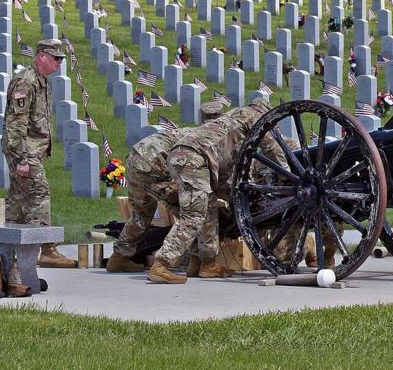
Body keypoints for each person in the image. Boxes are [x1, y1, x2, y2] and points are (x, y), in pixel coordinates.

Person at [148, 99, 274, 284]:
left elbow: (226, 177)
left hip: (193, 160)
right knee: (194, 215)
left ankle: (207, 264)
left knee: (209, 210)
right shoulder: (253, 117)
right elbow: (272, 148)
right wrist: (288, 174)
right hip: (192, 159)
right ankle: (161, 264)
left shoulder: (236, 121)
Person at [108, 102, 229, 274]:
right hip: (156, 165)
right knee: (197, 209)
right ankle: (206, 263)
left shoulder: (188, 131)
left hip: (137, 157)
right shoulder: (206, 140)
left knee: (141, 215)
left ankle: (119, 258)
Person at [3, 39, 77, 269]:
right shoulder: (25, 82)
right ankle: (47, 249)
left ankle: (6, 248)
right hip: (24, 152)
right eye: (56, 58)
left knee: (17, 201)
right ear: (41, 56)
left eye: (61, 59)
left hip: (33, 151)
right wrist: (21, 159)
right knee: (39, 193)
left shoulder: (41, 82)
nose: (59, 63)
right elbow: (16, 123)